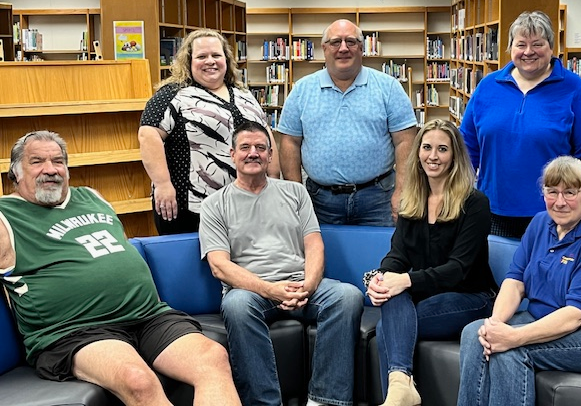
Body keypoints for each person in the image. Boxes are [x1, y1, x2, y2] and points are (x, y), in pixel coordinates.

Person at [0, 130, 240, 406]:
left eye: (58, 161)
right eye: (37, 161)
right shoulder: (6, 215)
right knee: (137, 379)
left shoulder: (91, 197)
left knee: (213, 358)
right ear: (15, 173)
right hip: (75, 330)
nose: (50, 169)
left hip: (148, 316)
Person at [199, 120, 364, 406]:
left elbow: (314, 244)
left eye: (261, 148)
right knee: (236, 306)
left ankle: (325, 400)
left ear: (270, 155)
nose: (253, 153)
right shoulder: (214, 204)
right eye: (245, 147)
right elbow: (219, 266)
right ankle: (264, 403)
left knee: (347, 296)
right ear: (232, 154)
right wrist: (270, 290)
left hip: (300, 284)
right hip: (250, 291)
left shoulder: (295, 192)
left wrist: (309, 286)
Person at [457, 156, 581, 406]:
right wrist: (496, 326)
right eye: (552, 192)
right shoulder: (540, 222)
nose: (560, 202)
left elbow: (578, 315)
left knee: (510, 349)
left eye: (570, 192)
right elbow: (515, 281)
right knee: (475, 334)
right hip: (545, 318)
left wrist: (512, 337)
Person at [365, 119, 497, 406]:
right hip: (426, 294)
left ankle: (397, 395)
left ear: (455, 156)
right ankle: (400, 391)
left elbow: (458, 269)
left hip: (471, 296)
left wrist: (406, 280)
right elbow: (397, 254)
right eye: (426, 147)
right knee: (391, 295)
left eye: (442, 149)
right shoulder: (413, 199)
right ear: (418, 152)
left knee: (391, 327)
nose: (433, 156)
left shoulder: (474, 203)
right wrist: (382, 278)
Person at [459, 10, 581, 239]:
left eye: (537, 44)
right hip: (491, 211)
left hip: (556, 213)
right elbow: (467, 148)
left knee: (546, 274)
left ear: (551, 47)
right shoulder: (488, 87)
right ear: (510, 49)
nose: (528, 52)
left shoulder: (576, 91)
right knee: (497, 272)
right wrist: (455, 197)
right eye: (521, 45)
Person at [139, 28, 280, 235]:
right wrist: (162, 184)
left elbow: (265, 134)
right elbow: (148, 135)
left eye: (216, 55)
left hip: (245, 203)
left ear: (226, 59)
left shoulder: (244, 94)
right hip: (191, 207)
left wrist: (274, 178)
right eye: (201, 56)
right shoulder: (172, 94)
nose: (210, 61)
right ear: (188, 61)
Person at [277, 19, 417, 227]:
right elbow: (290, 142)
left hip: (379, 198)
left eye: (351, 42)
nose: (343, 48)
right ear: (324, 49)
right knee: (321, 256)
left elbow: (406, 140)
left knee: (382, 256)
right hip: (320, 200)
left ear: (362, 48)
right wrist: (295, 194)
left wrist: (402, 190)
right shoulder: (302, 90)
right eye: (335, 42)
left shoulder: (388, 87)